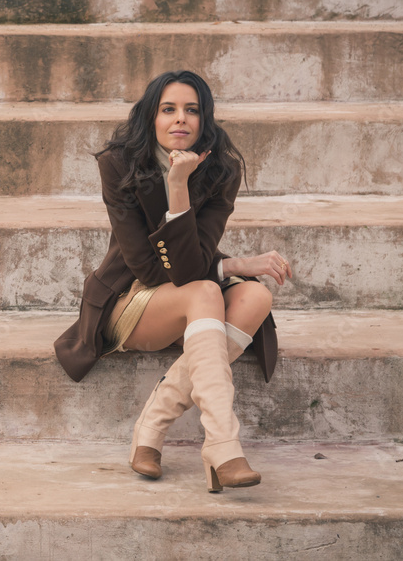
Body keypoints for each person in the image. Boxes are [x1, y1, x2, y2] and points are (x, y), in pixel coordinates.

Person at [54, 70, 291, 492]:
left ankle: (154, 425)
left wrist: (183, 188)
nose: (180, 118)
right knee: (205, 290)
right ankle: (224, 444)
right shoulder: (119, 164)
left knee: (256, 296)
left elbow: (190, 266)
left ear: (204, 120)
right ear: (152, 117)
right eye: (168, 109)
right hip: (130, 298)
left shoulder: (221, 170)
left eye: (191, 110)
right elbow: (150, 270)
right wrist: (231, 258)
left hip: (188, 292)